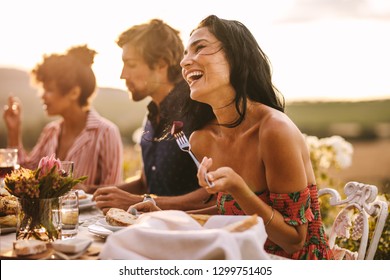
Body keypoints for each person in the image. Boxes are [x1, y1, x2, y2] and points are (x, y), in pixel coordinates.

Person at [133, 15, 334, 260]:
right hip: (238, 257)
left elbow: (293, 240)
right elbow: (230, 211)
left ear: (236, 57)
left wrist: (238, 188)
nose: (185, 61)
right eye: (185, 53)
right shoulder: (201, 139)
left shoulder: (274, 130)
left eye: (200, 48)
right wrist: (163, 212)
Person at [93, 19, 215, 214]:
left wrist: (141, 201)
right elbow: (145, 182)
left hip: (192, 234)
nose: (123, 75)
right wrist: (94, 193)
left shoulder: (200, 109)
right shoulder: (151, 115)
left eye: (131, 64)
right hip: (153, 230)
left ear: (161, 64)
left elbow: (215, 194)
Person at [3, 45, 123, 190]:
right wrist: (14, 131)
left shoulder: (106, 133)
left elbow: (114, 193)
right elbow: (25, 176)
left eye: (49, 90)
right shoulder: (51, 131)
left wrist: (82, 190)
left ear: (74, 93)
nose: (42, 95)